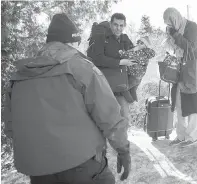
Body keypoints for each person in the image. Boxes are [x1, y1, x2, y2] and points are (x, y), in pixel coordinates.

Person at [3, 13, 131, 184]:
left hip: (38, 171)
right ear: (70, 43)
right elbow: (109, 116)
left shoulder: (18, 76)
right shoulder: (81, 68)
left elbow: (11, 129)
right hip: (81, 165)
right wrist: (123, 150)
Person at [163, 7, 197, 147]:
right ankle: (181, 136)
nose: (169, 26)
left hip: (194, 69)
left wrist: (175, 35)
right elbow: (173, 47)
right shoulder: (173, 30)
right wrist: (169, 40)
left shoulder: (191, 27)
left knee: (193, 102)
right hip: (180, 68)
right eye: (167, 24)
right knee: (178, 101)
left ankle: (192, 136)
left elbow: (190, 47)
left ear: (175, 18)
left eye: (170, 23)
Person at [88, 13, 136, 130]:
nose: (118, 28)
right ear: (110, 24)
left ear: (124, 26)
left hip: (121, 87)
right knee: (104, 120)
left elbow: (134, 56)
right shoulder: (101, 38)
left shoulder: (125, 39)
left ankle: (122, 145)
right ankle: (103, 146)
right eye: (115, 25)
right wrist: (119, 62)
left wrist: (142, 49)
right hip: (105, 87)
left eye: (121, 25)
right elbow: (97, 58)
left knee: (124, 119)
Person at [119, 36, 155, 100]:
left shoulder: (141, 53)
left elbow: (126, 55)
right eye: (138, 42)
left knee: (123, 89)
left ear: (146, 46)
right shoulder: (144, 52)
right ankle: (135, 104)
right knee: (132, 91)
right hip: (138, 78)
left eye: (141, 43)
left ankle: (131, 103)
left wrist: (121, 52)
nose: (138, 44)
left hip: (134, 77)